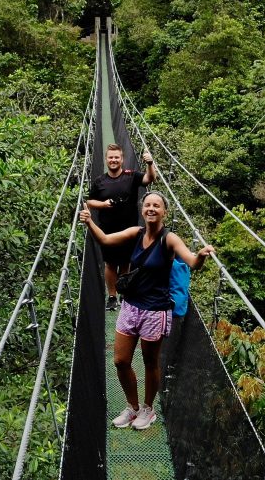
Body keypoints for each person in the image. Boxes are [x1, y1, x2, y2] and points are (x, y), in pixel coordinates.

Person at [79, 193, 215, 430]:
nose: (151, 208)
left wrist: (201, 256)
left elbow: (192, 262)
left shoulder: (169, 239)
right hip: (130, 306)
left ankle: (148, 409)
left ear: (164, 212)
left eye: (157, 205)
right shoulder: (136, 233)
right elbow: (106, 241)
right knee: (120, 361)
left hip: (155, 310)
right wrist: (90, 222)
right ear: (143, 210)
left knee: (150, 362)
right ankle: (132, 407)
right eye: (148, 205)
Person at [86, 143, 155, 311]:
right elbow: (89, 200)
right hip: (107, 230)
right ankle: (111, 296)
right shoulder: (99, 181)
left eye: (116, 157)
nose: (114, 160)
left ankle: (124, 291)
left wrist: (150, 163)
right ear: (106, 159)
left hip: (129, 230)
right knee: (110, 264)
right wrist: (103, 204)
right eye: (111, 157)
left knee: (125, 263)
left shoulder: (131, 176)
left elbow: (149, 179)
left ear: (122, 159)